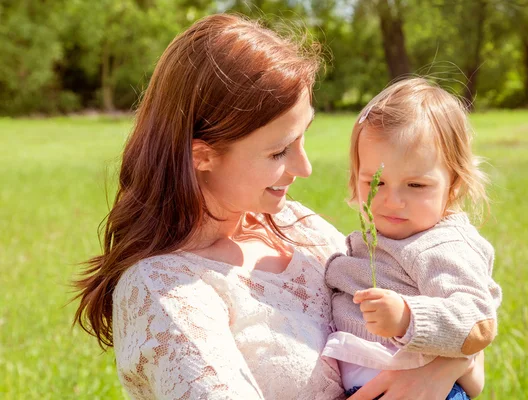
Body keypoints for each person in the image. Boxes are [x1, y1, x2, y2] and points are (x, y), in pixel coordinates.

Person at [73, 14, 482, 399]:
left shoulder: (295, 224)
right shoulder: (164, 292)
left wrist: (438, 373)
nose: (303, 168)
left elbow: (463, 324)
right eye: (278, 152)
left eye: (304, 137)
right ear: (203, 155)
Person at [323, 78, 503, 399]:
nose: (392, 201)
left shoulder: (439, 244)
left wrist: (408, 317)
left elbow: (478, 321)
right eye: (375, 183)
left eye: (416, 185)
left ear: (455, 185)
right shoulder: (377, 239)